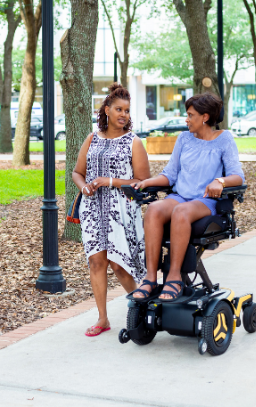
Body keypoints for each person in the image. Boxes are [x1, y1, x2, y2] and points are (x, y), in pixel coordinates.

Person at [131, 92, 245, 301]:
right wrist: (148, 182)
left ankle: (174, 277)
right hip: (181, 196)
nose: (186, 119)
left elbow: (237, 176)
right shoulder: (184, 139)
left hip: (205, 201)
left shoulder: (224, 139)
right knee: (155, 209)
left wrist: (220, 181)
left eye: (191, 115)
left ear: (205, 117)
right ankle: (150, 278)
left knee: (180, 212)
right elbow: (170, 174)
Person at [72, 83, 151, 337]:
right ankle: (102, 319)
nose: (124, 115)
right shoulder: (92, 138)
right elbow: (77, 172)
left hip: (122, 208)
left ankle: (144, 309)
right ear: (106, 110)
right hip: (93, 208)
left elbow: (142, 181)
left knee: (119, 265)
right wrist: (84, 187)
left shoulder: (133, 142)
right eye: (119, 109)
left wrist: (110, 181)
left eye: (127, 111)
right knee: (96, 262)